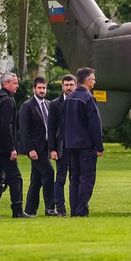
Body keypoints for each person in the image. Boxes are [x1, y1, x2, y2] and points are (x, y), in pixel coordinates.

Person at [0, 72, 30, 219]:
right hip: (3, 147)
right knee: (15, 178)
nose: (17, 86)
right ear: (6, 84)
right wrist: (12, 148)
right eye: (14, 83)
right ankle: (17, 210)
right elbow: (6, 126)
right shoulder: (7, 101)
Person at [62, 67, 104, 217]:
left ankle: (74, 210)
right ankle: (81, 210)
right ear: (87, 81)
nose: (94, 81)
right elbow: (95, 124)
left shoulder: (69, 98)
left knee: (74, 179)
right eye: (93, 78)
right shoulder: (89, 98)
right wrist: (99, 146)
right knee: (87, 179)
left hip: (71, 145)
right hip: (86, 145)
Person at [21, 77, 55, 216]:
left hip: (45, 147)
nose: (42, 90)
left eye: (44, 88)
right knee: (49, 172)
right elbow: (24, 130)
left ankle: (30, 210)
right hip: (35, 149)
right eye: (39, 88)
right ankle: (50, 208)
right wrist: (30, 149)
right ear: (34, 89)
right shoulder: (27, 106)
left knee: (36, 179)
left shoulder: (48, 104)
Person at [47, 74, 76, 216]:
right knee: (60, 179)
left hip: (76, 146)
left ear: (76, 85)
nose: (68, 87)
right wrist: (52, 149)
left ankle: (76, 208)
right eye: (66, 85)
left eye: (71, 84)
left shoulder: (79, 101)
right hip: (61, 147)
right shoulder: (54, 104)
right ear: (62, 86)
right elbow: (51, 128)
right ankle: (60, 209)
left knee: (75, 179)